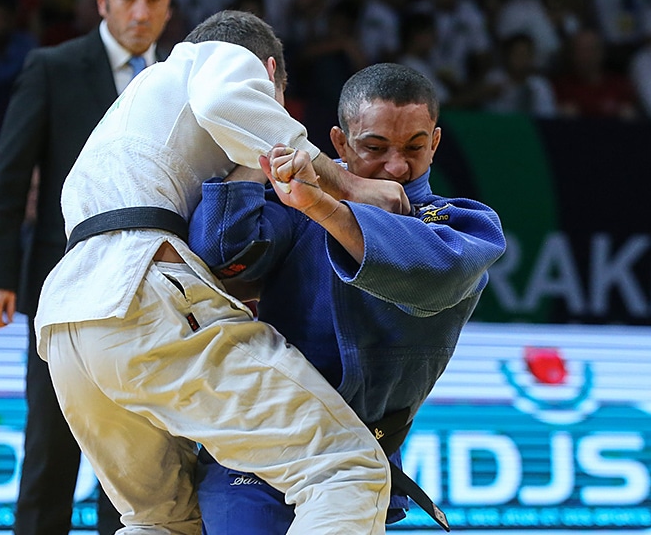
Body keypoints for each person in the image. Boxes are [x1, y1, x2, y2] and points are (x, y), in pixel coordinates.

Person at [35, 9, 412, 534]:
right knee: (347, 469)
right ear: (268, 70)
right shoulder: (218, 58)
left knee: (161, 520)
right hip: (141, 292)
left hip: (66, 323)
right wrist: (345, 185)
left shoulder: (138, 106)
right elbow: (225, 104)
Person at [188, 63, 506, 534]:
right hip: (258, 447)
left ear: (435, 143)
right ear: (338, 143)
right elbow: (218, 253)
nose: (396, 166)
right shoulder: (293, 200)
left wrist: (324, 205)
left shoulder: (463, 225)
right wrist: (261, 140)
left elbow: (431, 274)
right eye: (374, 148)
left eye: (414, 147)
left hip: (359, 454)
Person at [0, 0, 175, 535]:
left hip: (154, 297)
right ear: (101, 1)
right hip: (62, 293)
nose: (141, 12)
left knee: (140, 472)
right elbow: (8, 180)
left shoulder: (178, 81)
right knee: (50, 459)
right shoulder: (53, 68)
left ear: (170, 6)